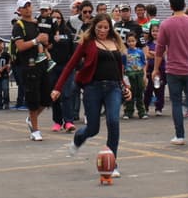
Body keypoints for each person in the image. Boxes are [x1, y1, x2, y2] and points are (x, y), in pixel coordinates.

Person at [53, 12, 132, 175]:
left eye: (105, 27)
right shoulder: (87, 43)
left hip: (113, 88)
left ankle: (112, 163)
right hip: (93, 88)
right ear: (94, 27)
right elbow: (70, 65)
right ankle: (78, 139)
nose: (102, 30)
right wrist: (57, 88)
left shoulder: (116, 42)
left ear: (110, 28)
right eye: (99, 27)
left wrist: (125, 87)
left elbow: (119, 70)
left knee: (113, 122)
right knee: (93, 128)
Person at [154, 0, 188, 146]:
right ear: (184, 4)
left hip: (173, 69)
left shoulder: (166, 24)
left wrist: (155, 69)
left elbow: (159, 49)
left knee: (176, 102)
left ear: (171, 6)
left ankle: (179, 136)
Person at [11, 0, 49, 141]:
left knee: (46, 99)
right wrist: (36, 40)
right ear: (19, 10)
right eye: (24, 6)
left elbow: (45, 42)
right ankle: (35, 130)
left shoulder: (36, 23)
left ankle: (30, 119)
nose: (27, 8)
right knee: (33, 99)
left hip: (42, 63)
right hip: (28, 66)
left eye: (29, 5)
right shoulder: (18, 26)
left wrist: (45, 41)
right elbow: (20, 46)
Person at [47, 9, 78, 131]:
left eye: (58, 18)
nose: (56, 20)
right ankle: (57, 122)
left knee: (66, 94)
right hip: (52, 67)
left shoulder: (68, 32)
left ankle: (68, 121)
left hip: (66, 68)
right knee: (55, 95)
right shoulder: (47, 33)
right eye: (53, 18)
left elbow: (73, 50)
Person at [122, 31, 147, 121]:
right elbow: (123, 65)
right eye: (129, 41)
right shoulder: (125, 53)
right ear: (126, 42)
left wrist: (144, 75)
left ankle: (141, 112)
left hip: (139, 74)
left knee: (140, 93)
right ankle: (128, 112)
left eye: (133, 41)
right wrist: (122, 76)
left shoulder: (140, 52)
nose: (131, 43)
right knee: (129, 93)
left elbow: (144, 64)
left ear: (136, 41)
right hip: (129, 75)